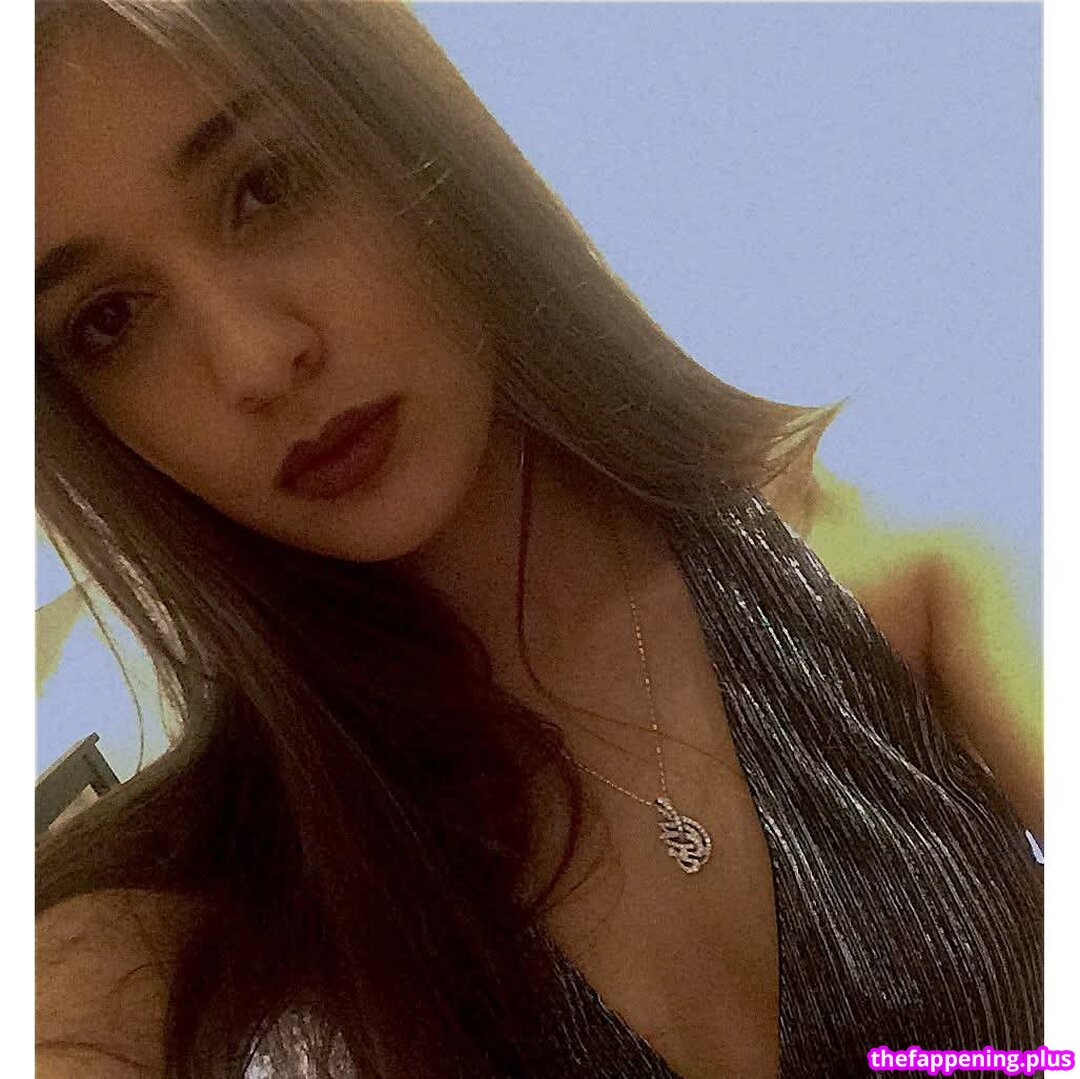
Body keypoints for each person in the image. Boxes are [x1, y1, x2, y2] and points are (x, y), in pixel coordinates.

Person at [34, 2, 1043, 1078]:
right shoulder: (162, 918)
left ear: (411, 129)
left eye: (267, 184)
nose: (253, 361)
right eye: (110, 318)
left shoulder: (897, 542)